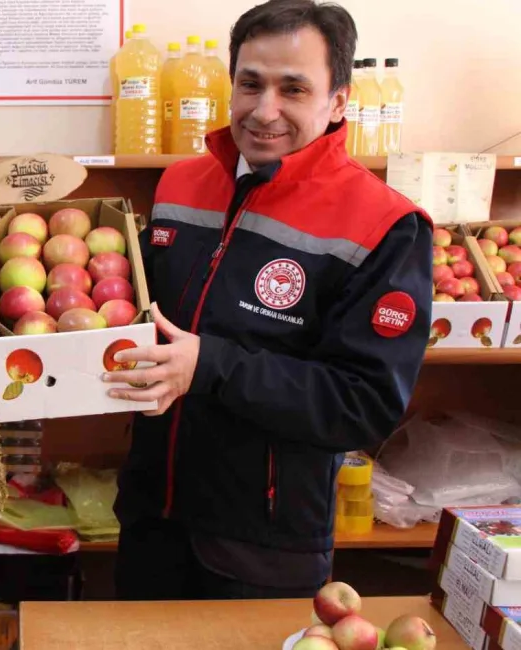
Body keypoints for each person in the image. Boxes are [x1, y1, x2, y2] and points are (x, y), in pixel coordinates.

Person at [101, 0, 433, 600]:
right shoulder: (180, 184)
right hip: (151, 519)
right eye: (250, 84)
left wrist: (212, 366)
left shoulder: (385, 225)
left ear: (338, 101)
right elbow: (133, 312)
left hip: (263, 544)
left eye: (294, 89)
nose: (264, 110)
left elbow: (364, 404)